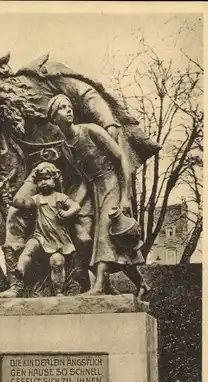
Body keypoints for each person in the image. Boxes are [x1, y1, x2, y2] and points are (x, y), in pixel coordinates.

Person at [0, 52, 159, 297]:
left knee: (86, 229)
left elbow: (84, 93)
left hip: (80, 168)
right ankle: (18, 285)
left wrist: (108, 124)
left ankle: (84, 282)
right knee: (15, 213)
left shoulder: (43, 78)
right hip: (41, 173)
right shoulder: (3, 114)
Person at [48, 94, 150, 299]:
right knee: (85, 237)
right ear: (53, 118)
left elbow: (121, 158)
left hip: (112, 183)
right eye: (62, 108)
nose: (68, 110)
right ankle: (140, 284)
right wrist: (75, 205)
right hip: (94, 189)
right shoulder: (65, 147)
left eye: (69, 106)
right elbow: (86, 179)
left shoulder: (90, 130)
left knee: (104, 233)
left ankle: (99, 286)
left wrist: (125, 197)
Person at [11, 163, 81, 296]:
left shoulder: (60, 197)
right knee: (29, 248)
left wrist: (68, 213)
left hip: (58, 240)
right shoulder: (37, 198)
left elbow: (76, 206)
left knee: (57, 262)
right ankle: (19, 271)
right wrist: (13, 199)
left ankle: (59, 291)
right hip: (40, 236)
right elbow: (21, 202)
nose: (43, 182)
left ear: (55, 179)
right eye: (40, 180)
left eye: (47, 178)